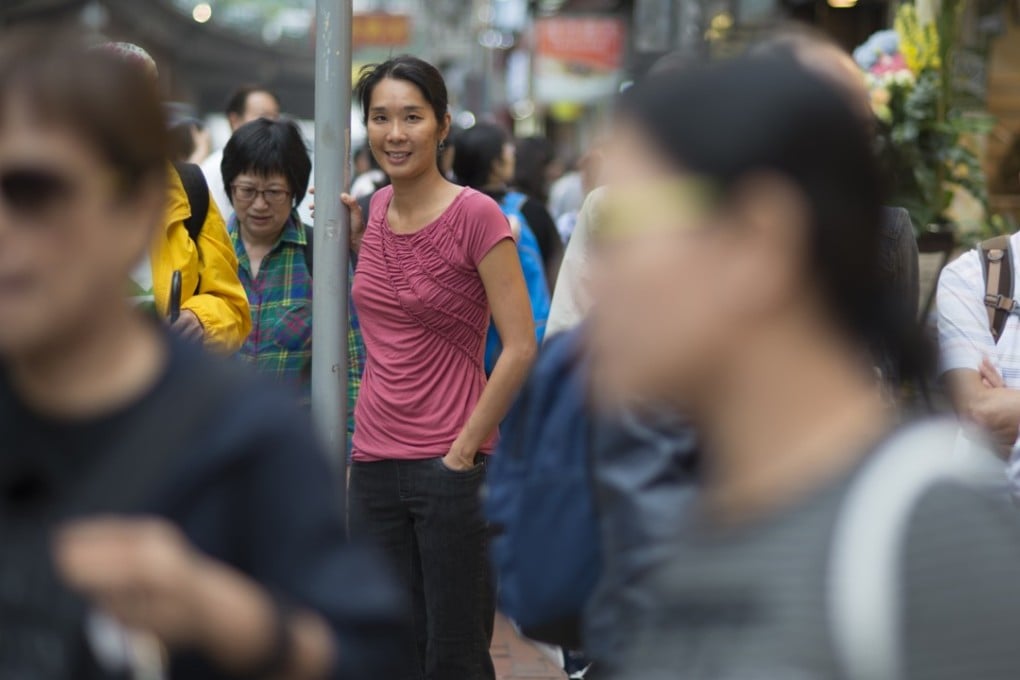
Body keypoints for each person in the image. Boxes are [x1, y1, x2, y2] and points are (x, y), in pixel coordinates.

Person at [588, 52, 1020, 680]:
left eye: (628, 224)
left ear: (756, 241)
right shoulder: (694, 524)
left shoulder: (923, 536)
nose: (599, 273)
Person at [0, 29, 404, 679]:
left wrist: (221, 614)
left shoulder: (245, 434)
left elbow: (365, 652)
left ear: (132, 208)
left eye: (34, 192)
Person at [341, 55, 537, 680]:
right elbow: (387, 314)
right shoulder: (369, 215)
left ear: (443, 125)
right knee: (384, 654)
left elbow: (522, 346)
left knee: (453, 658)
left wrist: (462, 452)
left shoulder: (476, 215)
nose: (394, 133)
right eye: (380, 118)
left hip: (449, 467)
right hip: (372, 464)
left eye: (411, 117)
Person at [220, 117, 365, 444]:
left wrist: (345, 455)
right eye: (247, 191)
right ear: (230, 187)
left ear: (296, 191)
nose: (259, 204)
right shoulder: (207, 256)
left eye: (273, 192)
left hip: (292, 450)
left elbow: (354, 363)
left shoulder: (321, 257)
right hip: (216, 453)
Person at [102, 42, 251, 354]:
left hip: (165, 387)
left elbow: (233, 305)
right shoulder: (42, 196)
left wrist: (201, 319)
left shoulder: (188, 189)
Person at [452, 121, 551, 374]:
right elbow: (552, 276)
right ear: (495, 163)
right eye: (507, 149)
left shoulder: (446, 214)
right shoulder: (528, 212)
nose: (513, 154)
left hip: (462, 362)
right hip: (523, 355)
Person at [200, 85, 281, 217]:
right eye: (263, 116)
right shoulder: (212, 169)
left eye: (275, 116)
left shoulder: (282, 164)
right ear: (235, 121)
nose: (271, 123)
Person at [513, 136, 564, 290]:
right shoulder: (534, 210)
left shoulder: (507, 202)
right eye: (551, 165)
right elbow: (554, 265)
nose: (556, 172)